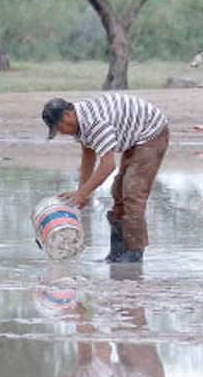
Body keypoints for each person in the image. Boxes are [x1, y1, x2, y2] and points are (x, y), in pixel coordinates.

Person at [42, 93, 170, 264]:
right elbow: (88, 153)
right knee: (118, 190)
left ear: (67, 114)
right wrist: (82, 190)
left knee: (132, 191)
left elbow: (108, 165)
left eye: (60, 127)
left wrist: (83, 193)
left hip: (152, 132)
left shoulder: (94, 123)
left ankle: (134, 254)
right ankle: (117, 252)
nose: (62, 133)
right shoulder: (80, 122)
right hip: (134, 134)